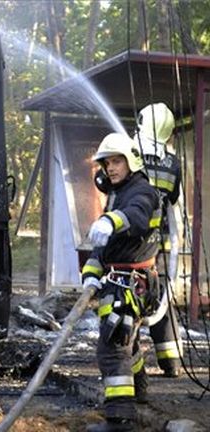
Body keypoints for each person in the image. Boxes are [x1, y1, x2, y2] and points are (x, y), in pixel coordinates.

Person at [94, 103, 183, 377]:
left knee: (124, 324)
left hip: (130, 242)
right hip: (158, 244)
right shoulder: (173, 165)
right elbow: (174, 199)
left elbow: (104, 184)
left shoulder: (133, 157)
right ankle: (171, 362)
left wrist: (111, 219)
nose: (111, 167)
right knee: (160, 304)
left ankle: (125, 401)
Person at [82, 133, 161, 432]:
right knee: (127, 342)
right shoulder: (118, 192)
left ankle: (120, 420)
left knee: (112, 349)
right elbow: (106, 247)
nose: (111, 168)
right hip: (122, 281)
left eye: (117, 161)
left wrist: (111, 220)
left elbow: (137, 217)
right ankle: (139, 388)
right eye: (107, 163)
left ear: (131, 161)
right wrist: (91, 271)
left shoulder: (141, 191)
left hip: (129, 283)